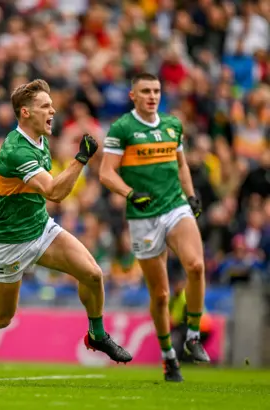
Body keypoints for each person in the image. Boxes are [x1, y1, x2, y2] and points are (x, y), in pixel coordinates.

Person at [0, 79, 133, 383]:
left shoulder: (41, 139)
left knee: (92, 274)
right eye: (45, 106)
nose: (53, 110)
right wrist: (81, 159)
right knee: (1, 316)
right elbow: (54, 192)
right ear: (25, 112)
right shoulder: (15, 151)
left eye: (52, 105)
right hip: (8, 242)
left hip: (40, 228)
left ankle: (97, 334)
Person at [99, 72, 210, 382]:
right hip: (142, 216)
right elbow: (106, 173)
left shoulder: (172, 125)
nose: (152, 96)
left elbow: (182, 164)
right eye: (145, 91)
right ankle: (168, 356)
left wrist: (191, 195)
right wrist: (131, 194)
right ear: (133, 96)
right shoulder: (123, 128)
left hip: (175, 206)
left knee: (196, 265)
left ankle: (192, 336)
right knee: (160, 295)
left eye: (157, 90)